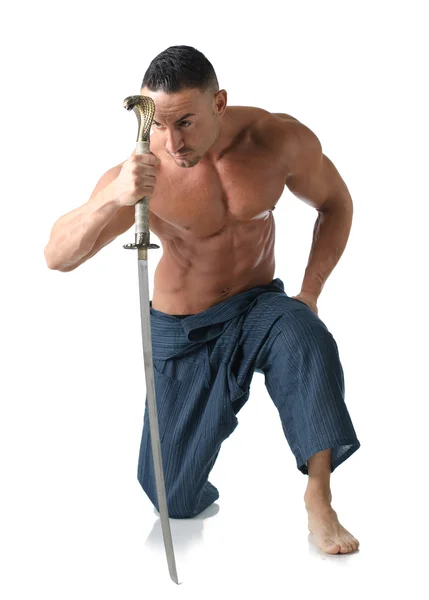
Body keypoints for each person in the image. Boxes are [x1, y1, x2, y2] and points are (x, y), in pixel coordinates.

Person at [44, 45, 360, 554]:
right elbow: (56, 256)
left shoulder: (276, 140)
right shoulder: (144, 173)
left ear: (218, 103)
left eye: (185, 122)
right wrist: (111, 197)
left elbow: (336, 201)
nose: (172, 142)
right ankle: (188, 480)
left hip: (259, 305)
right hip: (184, 327)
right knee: (171, 497)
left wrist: (310, 292)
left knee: (304, 332)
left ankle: (319, 497)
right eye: (158, 125)